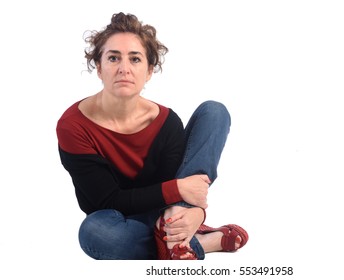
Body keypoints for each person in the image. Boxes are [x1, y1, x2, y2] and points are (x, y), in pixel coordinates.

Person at [56, 12, 248, 260]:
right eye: (113, 58)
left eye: (135, 59)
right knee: (95, 232)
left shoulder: (166, 122)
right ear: (99, 68)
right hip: (115, 217)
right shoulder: (73, 126)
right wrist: (184, 196)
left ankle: (175, 232)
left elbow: (181, 189)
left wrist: (193, 210)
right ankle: (193, 241)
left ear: (148, 71)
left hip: (165, 212)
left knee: (214, 111)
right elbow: (106, 200)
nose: (124, 69)